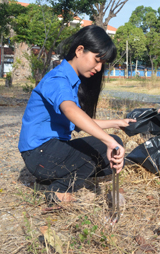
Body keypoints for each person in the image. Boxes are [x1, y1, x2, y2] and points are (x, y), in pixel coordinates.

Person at [18, 25, 135, 205]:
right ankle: (59, 189)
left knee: (110, 161)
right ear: (80, 50)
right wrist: (108, 141)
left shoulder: (71, 81)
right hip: (40, 154)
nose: (99, 67)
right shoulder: (57, 78)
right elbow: (71, 111)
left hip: (48, 153)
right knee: (109, 146)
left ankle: (52, 177)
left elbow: (80, 121)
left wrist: (117, 123)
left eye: (103, 63)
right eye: (97, 59)